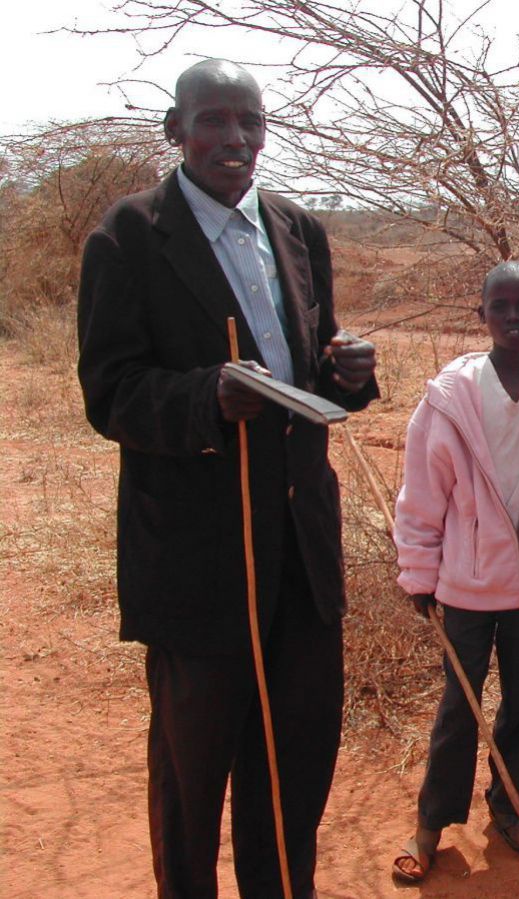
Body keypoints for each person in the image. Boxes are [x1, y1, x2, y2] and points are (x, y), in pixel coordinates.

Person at [77, 59, 378, 898]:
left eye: (249, 121)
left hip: (299, 549)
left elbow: (303, 373)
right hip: (196, 552)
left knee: (296, 756)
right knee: (193, 767)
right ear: (176, 129)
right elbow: (110, 392)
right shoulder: (130, 236)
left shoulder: (296, 229)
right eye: (213, 120)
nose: (234, 139)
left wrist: (343, 371)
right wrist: (208, 393)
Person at [390, 261, 519, 883]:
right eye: (501, 306)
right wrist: (419, 577)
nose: (514, 318)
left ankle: (511, 809)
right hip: (464, 583)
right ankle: (432, 824)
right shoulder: (449, 399)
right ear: (480, 314)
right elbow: (422, 497)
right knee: (461, 703)